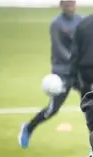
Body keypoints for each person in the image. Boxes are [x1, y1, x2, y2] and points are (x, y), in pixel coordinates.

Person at [18, 0, 83, 149]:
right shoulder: (56, 24)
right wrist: (74, 61)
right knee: (52, 110)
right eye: (68, 5)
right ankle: (28, 128)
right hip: (62, 73)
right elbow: (58, 47)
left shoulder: (81, 20)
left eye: (73, 4)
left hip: (78, 72)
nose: (71, 7)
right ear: (62, 6)